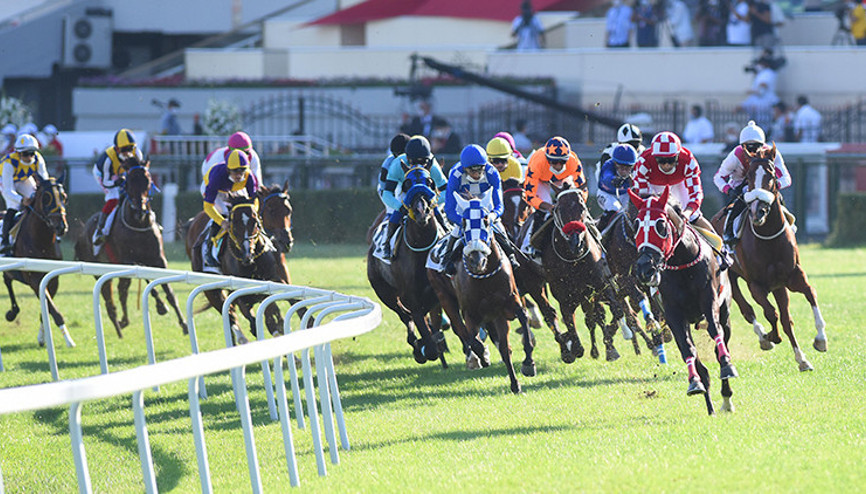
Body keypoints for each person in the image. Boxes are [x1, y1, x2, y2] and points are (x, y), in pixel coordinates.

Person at [441, 144, 518, 275]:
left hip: (484, 202)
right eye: (472, 171)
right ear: (465, 169)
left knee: (500, 228)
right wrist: (463, 221)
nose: (476, 174)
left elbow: (499, 205)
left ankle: (511, 256)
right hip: (464, 203)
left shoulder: (492, 172)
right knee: (456, 230)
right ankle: (447, 259)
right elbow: (449, 209)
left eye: (480, 170)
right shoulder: (455, 174)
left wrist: (493, 217)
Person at [713, 120, 791, 246]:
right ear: (742, 146)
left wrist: (774, 186)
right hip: (741, 187)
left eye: (757, 147)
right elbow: (718, 177)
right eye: (748, 148)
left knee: (779, 201)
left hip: (765, 189)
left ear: (763, 145)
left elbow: (786, 178)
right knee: (738, 205)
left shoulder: (771, 154)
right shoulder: (735, 155)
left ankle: (790, 228)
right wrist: (728, 189)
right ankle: (729, 232)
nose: (753, 152)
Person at [379, 135, 448, 260]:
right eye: (414, 162)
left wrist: (434, 202)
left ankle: (447, 236)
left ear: (428, 160)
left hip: (428, 193)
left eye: (423, 162)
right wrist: (399, 207)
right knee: (395, 213)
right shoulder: (397, 165)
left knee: (440, 213)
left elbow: (447, 191)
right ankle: (387, 243)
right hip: (404, 190)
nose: (418, 166)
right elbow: (387, 194)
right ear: (407, 158)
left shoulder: (433, 165)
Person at [522, 136, 588, 259]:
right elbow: (529, 196)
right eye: (554, 162)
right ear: (547, 160)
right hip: (542, 180)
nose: (558, 165)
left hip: (563, 179)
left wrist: (578, 204)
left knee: (575, 204)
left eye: (562, 162)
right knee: (544, 208)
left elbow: (583, 190)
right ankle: (530, 244)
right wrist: (549, 207)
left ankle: (597, 238)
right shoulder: (536, 162)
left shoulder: (573, 161)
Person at [198, 149, 259, 272]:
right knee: (224, 213)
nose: (239, 174)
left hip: (234, 189)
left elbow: (255, 200)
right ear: (228, 170)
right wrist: (222, 222)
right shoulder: (217, 176)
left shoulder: (248, 176)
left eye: (242, 170)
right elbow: (208, 206)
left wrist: (254, 213)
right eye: (235, 171)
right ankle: (209, 249)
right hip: (216, 190)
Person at [633, 131, 707, 229]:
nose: (666, 165)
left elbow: (696, 194)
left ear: (678, 156)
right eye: (661, 160)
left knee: (694, 216)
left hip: (679, 184)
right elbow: (642, 194)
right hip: (653, 187)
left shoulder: (688, 161)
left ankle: (719, 243)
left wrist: (687, 213)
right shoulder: (643, 163)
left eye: (671, 160)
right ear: (654, 157)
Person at [92, 128, 144, 246]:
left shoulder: (137, 155)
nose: (128, 152)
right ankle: (100, 230)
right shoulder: (108, 160)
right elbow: (106, 182)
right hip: (105, 175)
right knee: (114, 197)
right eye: (124, 149)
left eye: (130, 148)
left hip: (121, 173)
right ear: (116, 149)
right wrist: (117, 182)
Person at [1, 134, 50, 255]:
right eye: (25, 154)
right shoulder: (9, 163)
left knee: (37, 199)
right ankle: (5, 241)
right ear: (18, 153)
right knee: (13, 205)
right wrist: (22, 200)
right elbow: (8, 190)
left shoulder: (39, 159)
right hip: (6, 181)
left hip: (24, 179)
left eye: (31, 153)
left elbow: (45, 181)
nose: (29, 157)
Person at [596, 144, 639, 232]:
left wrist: (633, 184)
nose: (624, 170)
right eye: (621, 166)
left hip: (624, 194)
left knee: (633, 211)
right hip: (606, 194)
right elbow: (607, 177)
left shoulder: (636, 170)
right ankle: (600, 233)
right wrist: (614, 180)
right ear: (614, 163)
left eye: (628, 167)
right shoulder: (608, 165)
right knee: (615, 208)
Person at [739, 54, 779, 130]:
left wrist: (751, 91)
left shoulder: (768, 73)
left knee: (764, 126)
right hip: (758, 106)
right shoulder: (761, 74)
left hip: (765, 104)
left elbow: (762, 88)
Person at [377, 133, 411, 203]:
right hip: (388, 188)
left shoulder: (416, 158)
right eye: (396, 154)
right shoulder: (388, 163)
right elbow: (383, 183)